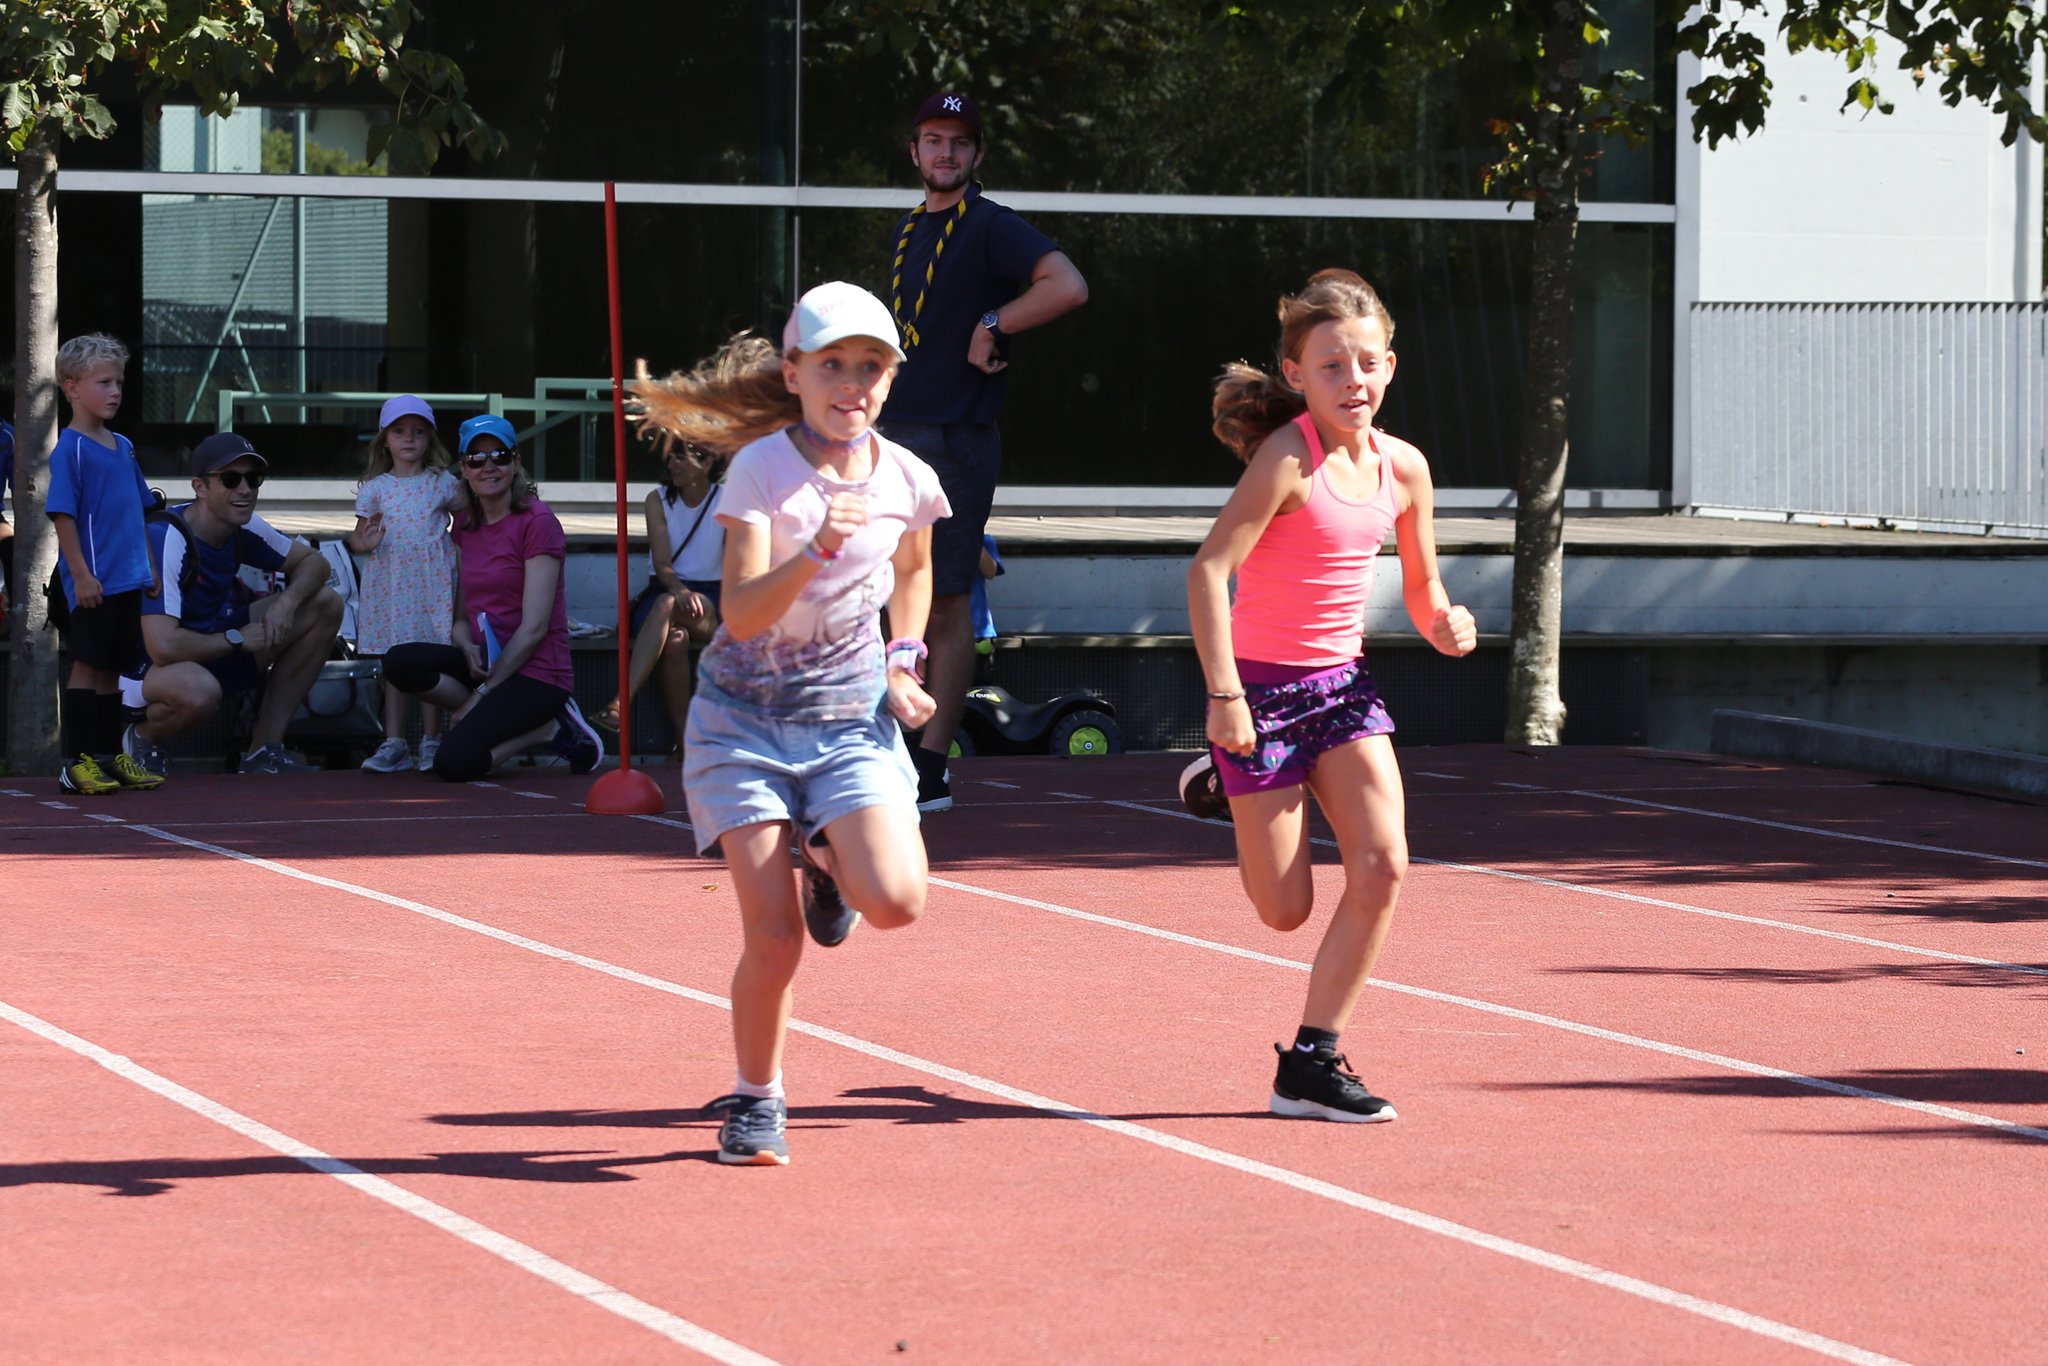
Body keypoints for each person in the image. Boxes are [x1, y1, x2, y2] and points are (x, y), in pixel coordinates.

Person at [630, 281, 950, 1165]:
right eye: (835, 365)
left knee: (898, 901)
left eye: (872, 367)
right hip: (743, 725)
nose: (854, 384)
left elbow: (916, 566)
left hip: (848, 721)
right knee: (771, 934)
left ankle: (829, 865)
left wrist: (903, 657)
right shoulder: (762, 470)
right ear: (795, 371)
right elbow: (739, 612)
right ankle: (756, 1096)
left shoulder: (908, 477)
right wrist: (817, 549)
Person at [1185, 269, 1477, 1124]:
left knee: (1384, 865)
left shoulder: (1405, 469)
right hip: (1260, 697)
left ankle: (1311, 1061)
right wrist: (1225, 697)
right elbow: (1208, 573)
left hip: (1343, 692)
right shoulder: (1287, 460)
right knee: (1285, 911)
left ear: (1390, 366)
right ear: (1296, 375)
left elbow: (1423, 590)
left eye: (1365, 364)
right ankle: (1217, 779)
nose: (1353, 382)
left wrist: (1445, 622)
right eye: (1330, 368)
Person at [880, 90, 1088, 812]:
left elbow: (1068, 285)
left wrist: (995, 321)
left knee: (947, 598)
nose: (946, 153)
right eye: (933, 140)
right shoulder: (907, 230)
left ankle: (929, 767)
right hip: (891, 439)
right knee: (887, 596)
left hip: (956, 439)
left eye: (959, 142)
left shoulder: (992, 226)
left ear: (976, 155)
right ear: (914, 152)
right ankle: (889, 748)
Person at [379, 414, 603, 783]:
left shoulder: (538, 521)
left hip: (537, 675)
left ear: (515, 463)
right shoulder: (467, 523)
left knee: (453, 763)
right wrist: (465, 644)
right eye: (476, 459)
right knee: (400, 662)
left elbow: (534, 629)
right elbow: (462, 616)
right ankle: (496, 713)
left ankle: (549, 729)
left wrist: (481, 694)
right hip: (488, 664)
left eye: (499, 455)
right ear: (464, 469)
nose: (489, 466)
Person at [123, 432, 346, 776]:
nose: (244, 489)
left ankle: (264, 750)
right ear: (200, 487)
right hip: (139, 668)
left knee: (325, 604)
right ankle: (140, 737)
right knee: (200, 692)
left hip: (209, 645)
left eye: (253, 479)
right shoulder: (167, 537)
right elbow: (162, 647)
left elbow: (316, 564)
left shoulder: (243, 524)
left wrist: (285, 604)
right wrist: (237, 640)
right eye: (230, 479)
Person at [45, 334, 161, 794]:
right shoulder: (70, 449)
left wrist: (148, 565)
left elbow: (138, 508)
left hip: (128, 579)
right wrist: (80, 575)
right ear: (72, 387)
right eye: (103, 382)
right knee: (87, 666)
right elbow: (63, 514)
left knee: (114, 668)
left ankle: (112, 758)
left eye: (119, 382)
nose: (115, 391)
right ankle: (78, 763)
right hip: (93, 582)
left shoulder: (124, 445)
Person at [348, 395, 463, 773]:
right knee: (395, 659)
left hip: (432, 581)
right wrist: (365, 543)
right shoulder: (374, 487)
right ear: (385, 439)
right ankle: (394, 742)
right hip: (392, 580)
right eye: (399, 431)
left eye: (417, 431)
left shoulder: (442, 483)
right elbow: (358, 538)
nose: (408, 439)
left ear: (429, 438)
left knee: (429, 655)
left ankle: (432, 742)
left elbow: (468, 517)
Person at [592, 435, 725, 751]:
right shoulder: (658, 499)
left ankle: (620, 703)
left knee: (670, 606)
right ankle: (683, 743)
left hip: (710, 598)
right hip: (664, 590)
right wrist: (678, 590)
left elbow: (736, 562)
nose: (672, 464)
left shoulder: (727, 499)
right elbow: (662, 563)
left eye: (681, 457)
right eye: (672, 457)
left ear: (707, 462)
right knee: (675, 641)